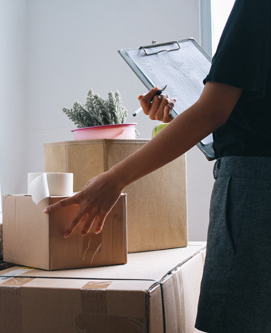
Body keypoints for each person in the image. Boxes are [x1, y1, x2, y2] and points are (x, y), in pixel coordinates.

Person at [44, 0, 271, 332]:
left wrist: (112, 180)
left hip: (255, 189)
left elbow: (213, 112)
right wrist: (189, 113)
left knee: (239, 320)